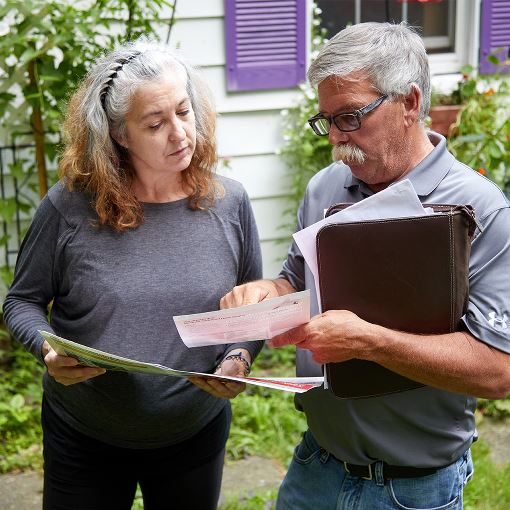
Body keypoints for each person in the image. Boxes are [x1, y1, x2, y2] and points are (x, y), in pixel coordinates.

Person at [220, 22, 510, 510]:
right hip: (317, 464)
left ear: (410, 104)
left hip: (414, 486)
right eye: (327, 120)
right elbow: (296, 280)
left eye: (351, 117)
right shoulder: (324, 188)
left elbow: (500, 371)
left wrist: (371, 342)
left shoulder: (484, 210)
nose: (335, 138)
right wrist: (265, 293)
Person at [2, 38, 263, 510]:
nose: (180, 133)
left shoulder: (231, 202)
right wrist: (48, 350)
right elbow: (20, 301)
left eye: (184, 112)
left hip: (194, 433)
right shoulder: (68, 207)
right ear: (120, 135)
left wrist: (240, 358)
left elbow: (251, 311)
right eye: (156, 123)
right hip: (85, 437)